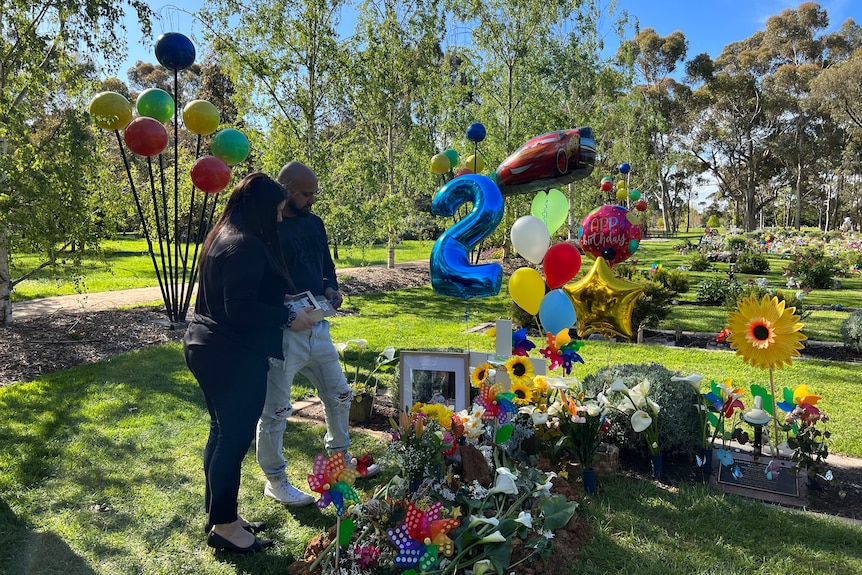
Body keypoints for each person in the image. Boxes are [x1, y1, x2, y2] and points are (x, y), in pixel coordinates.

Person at [184, 172, 316, 553]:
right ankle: (225, 527)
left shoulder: (224, 235)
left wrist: (283, 299)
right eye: (275, 211)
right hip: (231, 354)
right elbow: (238, 308)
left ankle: (219, 515)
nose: (279, 218)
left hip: (207, 346)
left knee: (221, 433)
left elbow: (242, 293)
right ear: (260, 209)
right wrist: (288, 316)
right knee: (233, 440)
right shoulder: (245, 244)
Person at [256, 161, 378, 508]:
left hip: (319, 326)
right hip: (285, 331)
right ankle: (275, 480)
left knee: (340, 395)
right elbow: (259, 280)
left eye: (314, 194)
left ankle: (340, 463)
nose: (312, 200)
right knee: (276, 409)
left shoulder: (315, 223)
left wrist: (332, 289)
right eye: (307, 194)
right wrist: (283, 305)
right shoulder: (269, 228)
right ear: (287, 189)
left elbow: (325, 265)